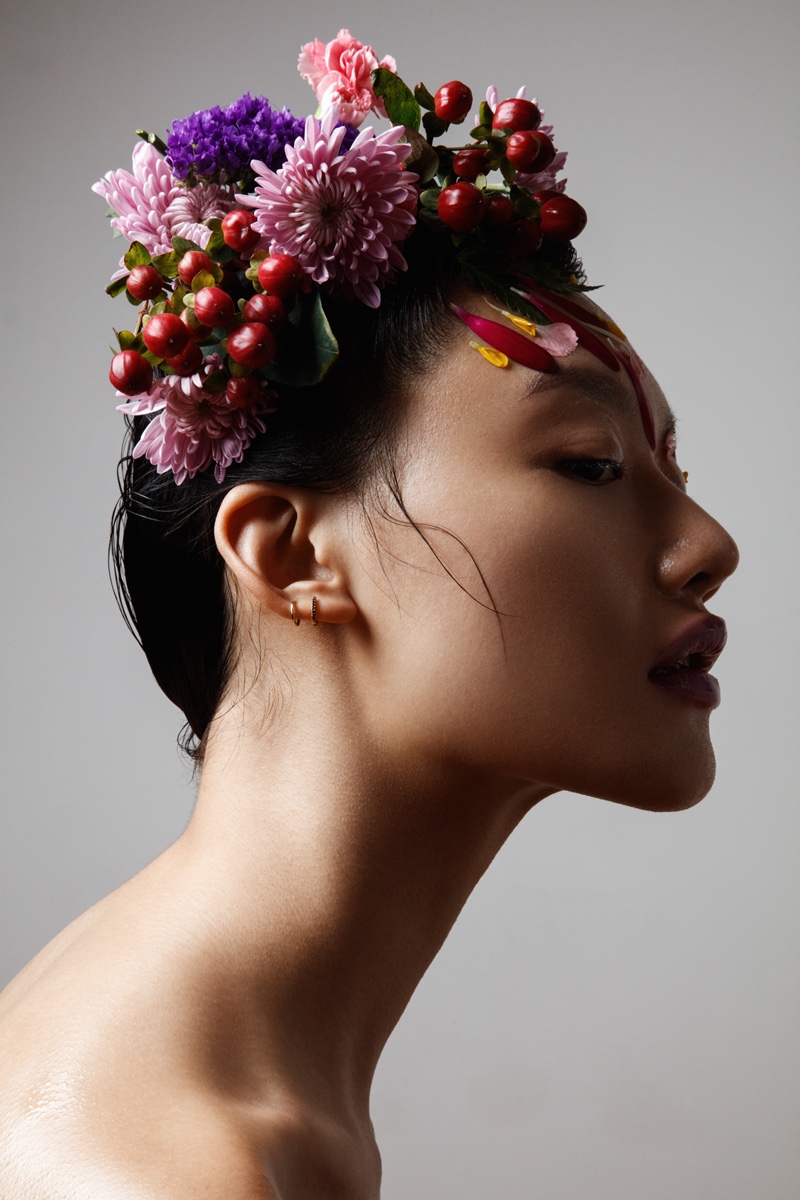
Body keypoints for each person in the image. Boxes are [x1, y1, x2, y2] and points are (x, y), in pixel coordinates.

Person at [0, 29, 738, 1200]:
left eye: (675, 479)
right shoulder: (169, 1164)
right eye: (591, 464)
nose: (708, 550)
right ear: (290, 551)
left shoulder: (210, 1063)